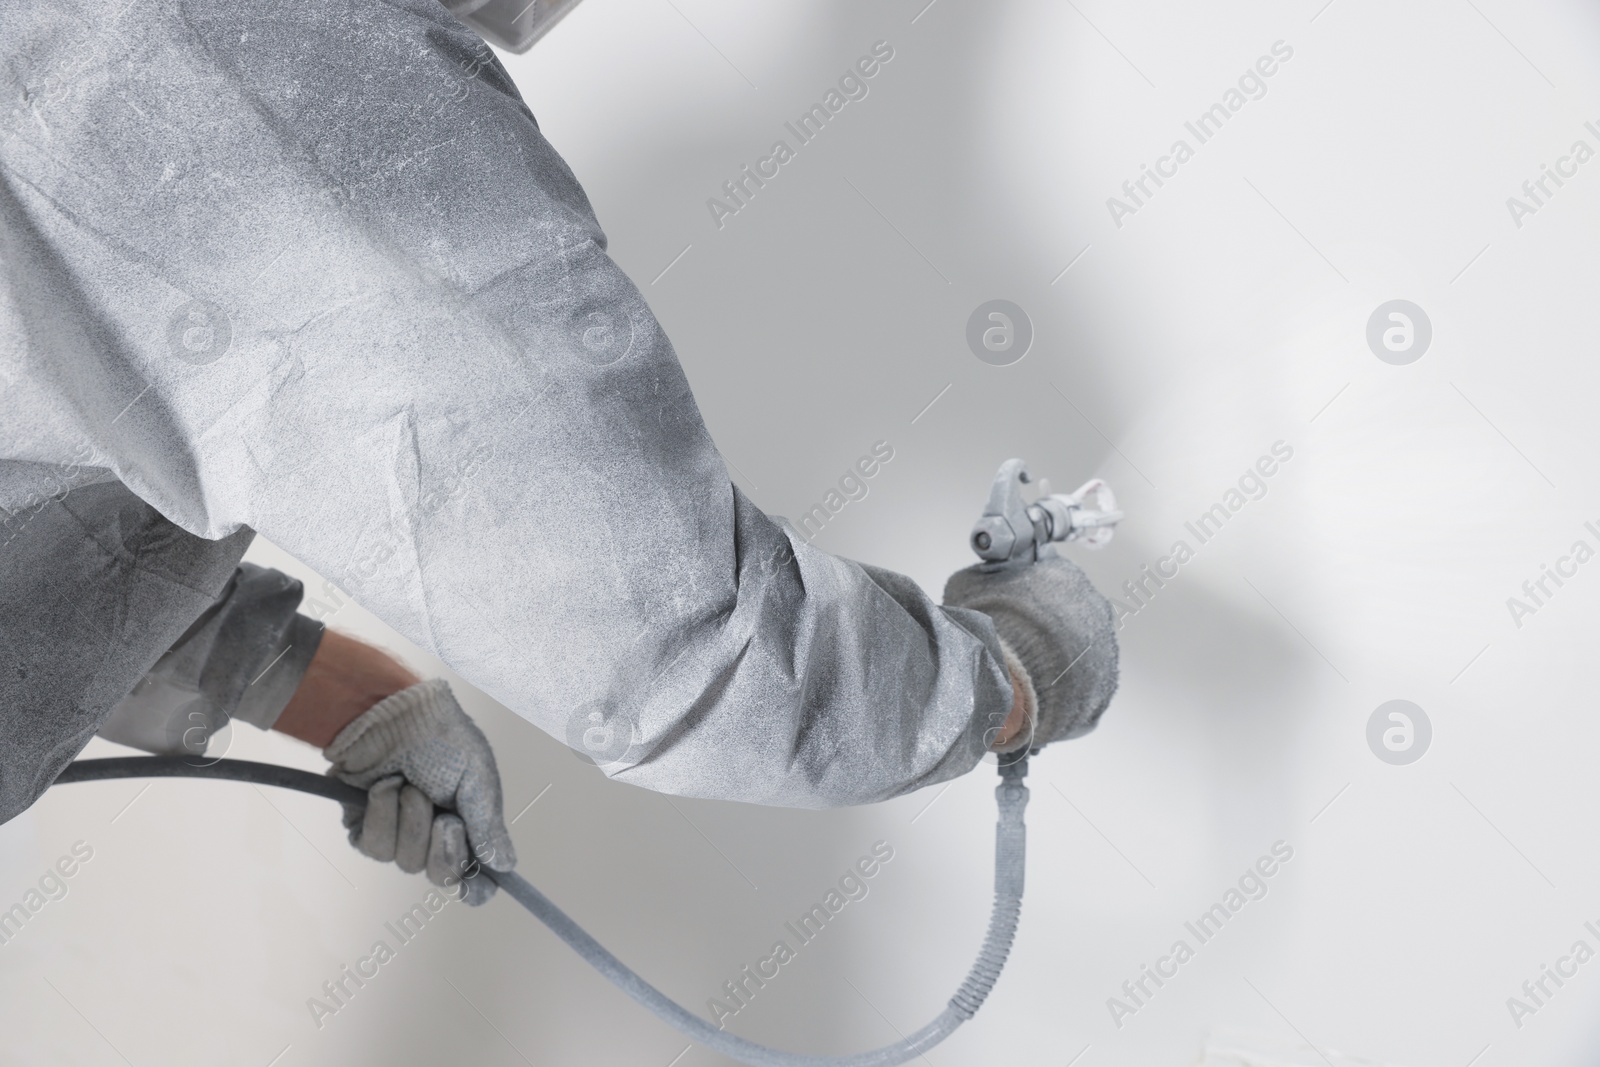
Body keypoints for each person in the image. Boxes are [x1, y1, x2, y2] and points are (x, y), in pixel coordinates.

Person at [0, 0, 1118, 905]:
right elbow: (693, 665)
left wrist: (335, 690)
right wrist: (1016, 669)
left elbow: (56, 454)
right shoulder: (277, 70)